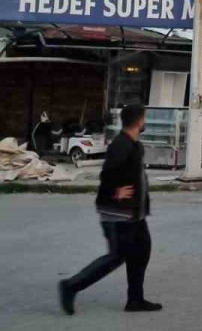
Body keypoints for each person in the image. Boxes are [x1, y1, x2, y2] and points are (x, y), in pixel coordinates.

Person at [58, 103, 161, 315]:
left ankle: (135, 300)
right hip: (117, 213)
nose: (145, 122)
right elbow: (107, 175)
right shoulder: (120, 145)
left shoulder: (134, 145)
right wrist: (116, 192)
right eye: (145, 118)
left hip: (134, 214)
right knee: (116, 256)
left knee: (141, 251)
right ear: (139, 120)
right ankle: (70, 286)